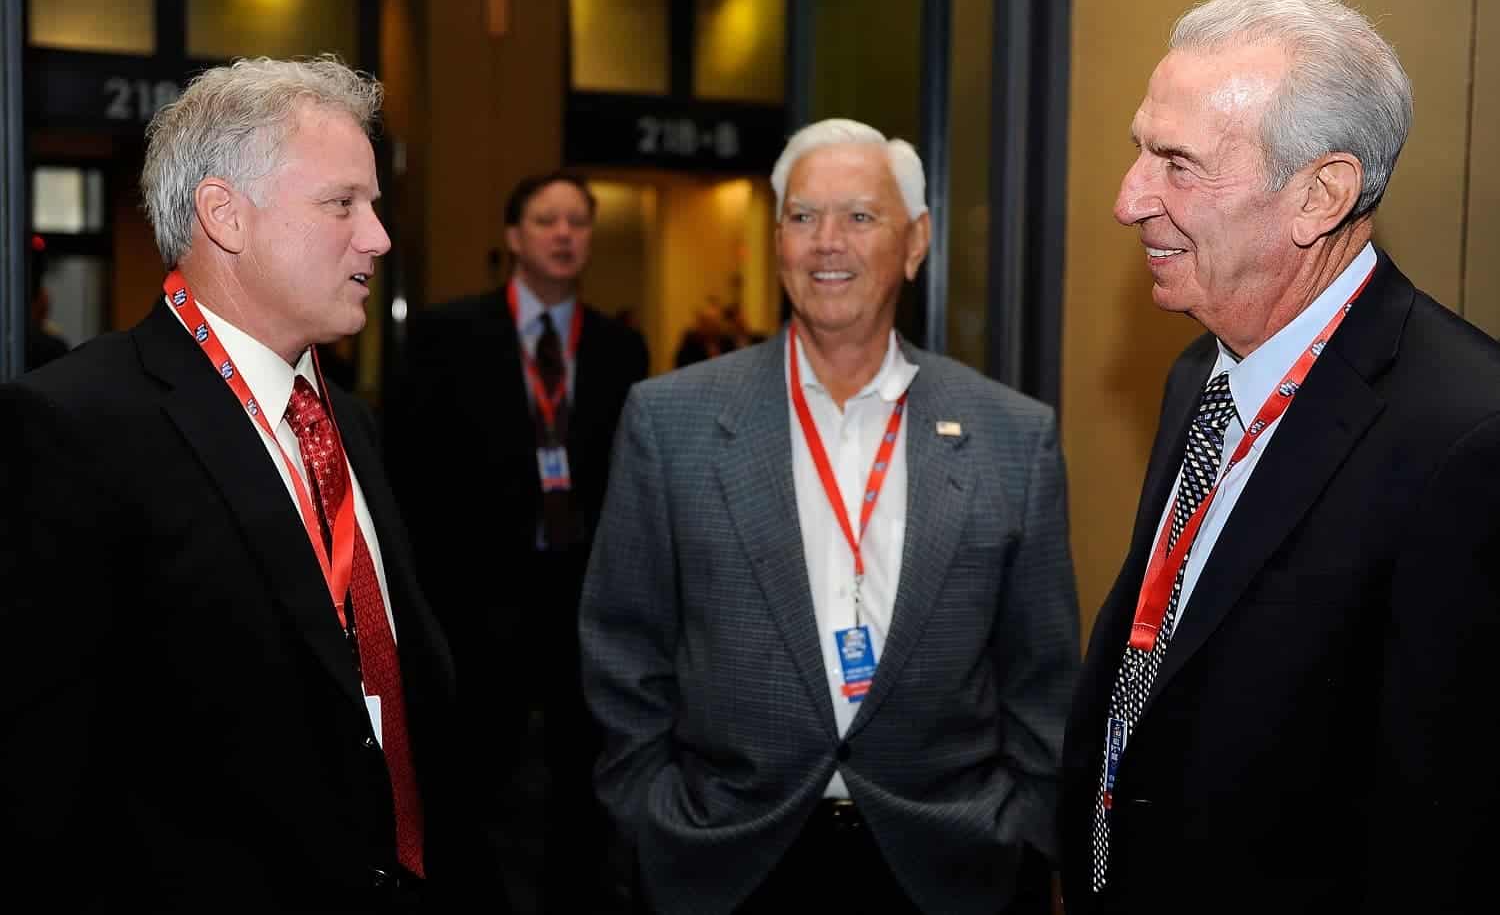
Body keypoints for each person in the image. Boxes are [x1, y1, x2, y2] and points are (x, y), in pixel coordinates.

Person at [0, 55, 504, 911]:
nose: (378, 237)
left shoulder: (347, 418)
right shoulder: (74, 426)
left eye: (373, 205)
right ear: (225, 216)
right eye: (343, 204)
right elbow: (40, 777)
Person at [1060, 0, 1500, 915]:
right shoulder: (1200, 375)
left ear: (1320, 195)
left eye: (1178, 164)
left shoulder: (1467, 433)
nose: (1128, 198)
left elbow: (1442, 822)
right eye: (1141, 147)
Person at [580, 118, 1080, 914]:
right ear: (777, 241)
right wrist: (650, 810)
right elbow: (622, 646)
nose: (827, 243)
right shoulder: (668, 420)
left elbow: (1043, 676)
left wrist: (1022, 829)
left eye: (859, 216)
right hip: (729, 857)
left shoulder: (1011, 436)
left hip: (946, 865)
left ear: (915, 244)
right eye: (803, 217)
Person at [387, 172, 649, 913]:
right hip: (478, 600)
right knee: (475, 778)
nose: (565, 234)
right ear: (514, 238)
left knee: (582, 781)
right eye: (547, 220)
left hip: (586, 598)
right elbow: (410, 473)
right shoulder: (448, 336)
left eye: (579, 221)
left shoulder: (622, 347)